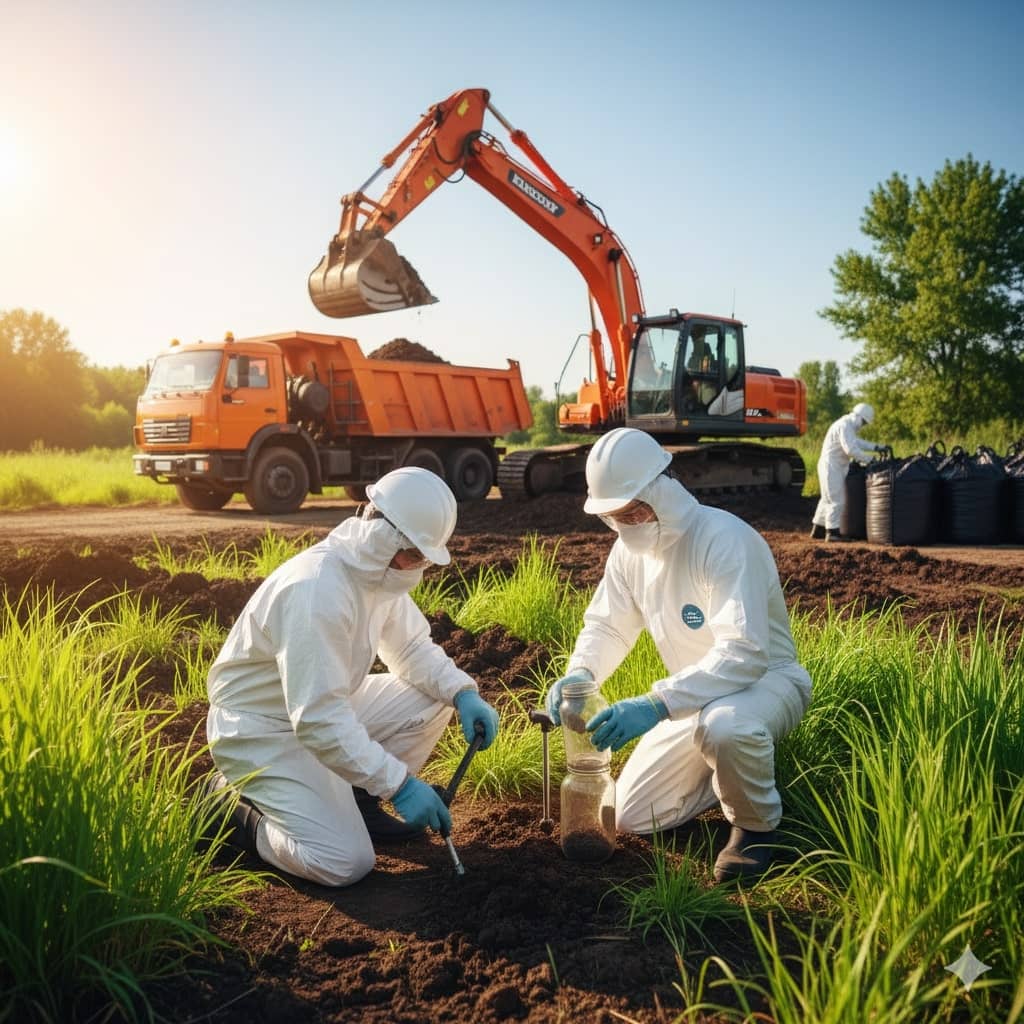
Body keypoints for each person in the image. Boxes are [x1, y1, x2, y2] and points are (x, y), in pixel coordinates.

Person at [204, 467, 500, 887]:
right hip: (262, 730)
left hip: (316, 708)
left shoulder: (377, 577)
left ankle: (359, 800)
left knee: (434, 696)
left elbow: (411, 649)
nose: (416, 567)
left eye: (422, 558)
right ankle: (234, 809)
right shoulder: (317, 590)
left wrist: (462, 693)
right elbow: (318, 719)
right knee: (344, 862)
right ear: (385, 538)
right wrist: (399, 785)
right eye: (414, 555)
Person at [544, 428, 812, 883]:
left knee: (726, 726)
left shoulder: (723, 539)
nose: (626, 523)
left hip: (766, 684)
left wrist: (656, 705)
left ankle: (756, 826)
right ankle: (734, 771)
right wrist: (580, 675)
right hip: (692, 697)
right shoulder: (629, 553)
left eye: (633, 510)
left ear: (663, 489)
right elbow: (608, 624)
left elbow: (745, 653)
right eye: (614, 516)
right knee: (631, 815)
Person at [810, 402, 884, 541]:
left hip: (833, 466)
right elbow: (851, 450)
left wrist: (877, 447)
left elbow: (857, 442)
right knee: (837, 499)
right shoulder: (845, 425)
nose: (862, 425)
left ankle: (818, 529)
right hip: (831, 466)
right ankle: (832, 533)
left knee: (827, 498)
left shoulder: (846, 425)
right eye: (863, 422)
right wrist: (870, 460)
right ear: (858, 416)